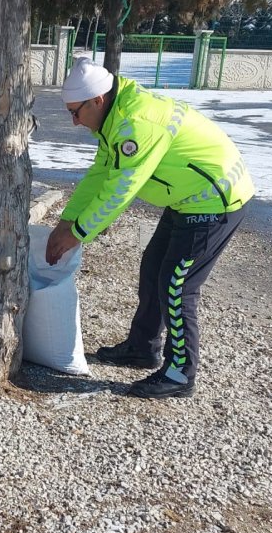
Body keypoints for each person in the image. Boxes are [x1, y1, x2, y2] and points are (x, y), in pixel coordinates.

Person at [45, 57, 255, 399]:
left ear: (97, 100)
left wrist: (77, 233)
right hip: (186, 199)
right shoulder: (115, 117)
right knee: (153, 268)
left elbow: (120, 190)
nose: (73, 121)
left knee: (176, 285)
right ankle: (143, 348)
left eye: (75, 112)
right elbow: (101, 172)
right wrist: (67, 219)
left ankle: (179, 374)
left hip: (215, 200)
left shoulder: (136, 123)